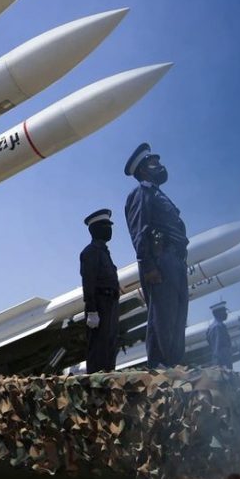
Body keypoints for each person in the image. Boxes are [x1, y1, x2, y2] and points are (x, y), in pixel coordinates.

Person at [123, 143, 189, 368]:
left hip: (175, 260)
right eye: (154, 162)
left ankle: (173, 364)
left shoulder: (159, 195)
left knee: (178, 315)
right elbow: (139, 231)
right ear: (143, 169)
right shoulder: (142, 193)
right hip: (161, 260)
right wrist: (149, 266)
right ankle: (159, 365)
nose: (160, 165)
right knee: (162, 315)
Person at [80, 209, 121, 373]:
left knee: (110, 346)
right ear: (96, 229)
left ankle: (108, 380)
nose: (110, 230)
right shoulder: (90, 252)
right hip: (100, 304)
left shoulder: (104, 253)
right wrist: (92, 310)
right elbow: (88, 282)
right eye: (106, 226)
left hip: (110, 304)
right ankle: (97, 383)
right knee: (99, 347)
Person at [206, 301, 233, 369]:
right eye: (224, 312)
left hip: (224, 363)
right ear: (217, 313)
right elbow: (217, 350)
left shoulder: (219, 326)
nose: (226, 314)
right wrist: (224, 367)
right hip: (223, 365)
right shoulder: (217, 327)